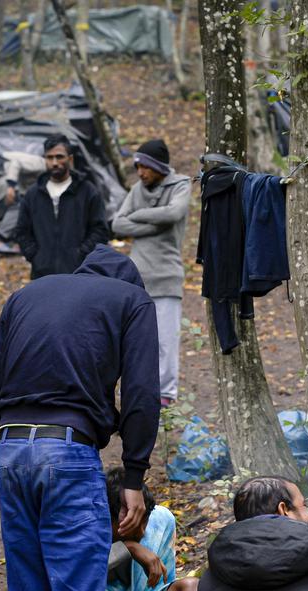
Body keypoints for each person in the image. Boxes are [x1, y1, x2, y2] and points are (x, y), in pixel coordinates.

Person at [0, 245, 160, 591]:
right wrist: (133, 474)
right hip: (69, 453)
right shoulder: (131, 301)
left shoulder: (25, 295)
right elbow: (144, 392)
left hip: (12, 450)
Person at [111, 139, 191, 406]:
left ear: (159, 167)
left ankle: (166, 393)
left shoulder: (180, 185)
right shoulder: (137, 189)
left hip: (167, 275)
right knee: (134, 339)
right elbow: (118, 223)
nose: (141, 173)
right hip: (136, 277)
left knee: (166, 340)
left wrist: (140, 216)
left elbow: (174, 213)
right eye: (138, 167)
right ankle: (136, 390)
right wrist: (152, 223)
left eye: (146, 167)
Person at [15, 135, 110, 279]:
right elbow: (22, 231)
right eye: (49, 157)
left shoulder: (87, 191)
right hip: (42, 275)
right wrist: (36, 256)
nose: (54, 162)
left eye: (59, 157)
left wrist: (82, 255)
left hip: (80, 273)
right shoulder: (33, 194)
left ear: (70, 159)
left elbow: (100, 230)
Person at [0, 151, 47, 253]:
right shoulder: (42, 163)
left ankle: (15, 243)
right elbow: (16, 163)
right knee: (19, 204)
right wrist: (11, 186)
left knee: (19, 207)